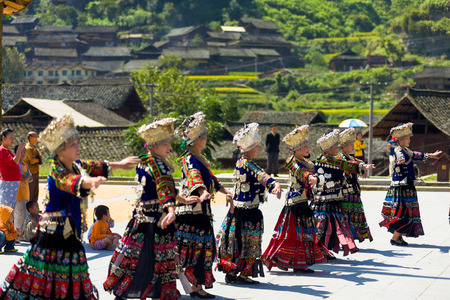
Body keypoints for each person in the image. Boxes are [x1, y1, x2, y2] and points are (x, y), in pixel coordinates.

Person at [0, 114, 138, 300]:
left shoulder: (76, 165)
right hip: (52, 234)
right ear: (61, 150)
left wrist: (119, 164)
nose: (78, 147)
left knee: (72, 273)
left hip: (69, 231)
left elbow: (96, 165)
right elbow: (73, 182)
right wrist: (89, 182)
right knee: (38, 273)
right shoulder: (57, 170)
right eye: (73, 144)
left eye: (77, 143)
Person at [104, 118, 192, 300]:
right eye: (164, 143)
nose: (169, 146)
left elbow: (161, 187)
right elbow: (164, 188)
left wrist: (180, 198)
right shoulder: (159, 164)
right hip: (156, 223)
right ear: (153, 145)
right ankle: (156, 293)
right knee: (155, 261)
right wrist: (171, 210)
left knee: (134, 259)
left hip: (141, 220)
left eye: (168, 142)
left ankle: (123, 292)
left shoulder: (145, 161)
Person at [175, 112, 233, 299]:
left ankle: (196, 285)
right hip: (192, 213)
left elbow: (211, 178)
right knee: (191, 250)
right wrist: (202, 192)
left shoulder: (199, 159)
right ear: (196, 140)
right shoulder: (189, 160)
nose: (206, 139)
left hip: (201, 213)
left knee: (200, 250)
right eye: (203, 136)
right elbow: (194, 177)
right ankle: (192, 286)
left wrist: (225, 191)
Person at [217, 123, 282, 285]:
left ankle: (231, 272)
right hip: (248, 212)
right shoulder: (248, 164)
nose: (258, 149)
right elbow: (261, 175)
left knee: (235, 241)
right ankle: (244, 274)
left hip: (237, 210)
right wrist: (274, 185)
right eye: (256, 146)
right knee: (249, 243)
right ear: (250, 148)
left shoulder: (239, 162)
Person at [262, 125, 326, 273]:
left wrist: (316, 177)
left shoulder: (307, 162)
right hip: (294, 202)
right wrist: (310, 176)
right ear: (297, 149)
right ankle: (282, 259)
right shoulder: (292, 161)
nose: (308, 148)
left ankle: (300, 263)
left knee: (303, 234)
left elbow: (313, 171)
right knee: (291, 235)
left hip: (303, 201)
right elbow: (301, 172)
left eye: (307, 145)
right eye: (305, 146)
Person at [313, 129, 375, 257]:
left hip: (335, 198)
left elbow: (346, 165)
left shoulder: (335, 159)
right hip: (324, 200)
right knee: (323, 227)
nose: (338, 148)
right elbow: (345, 165)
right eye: (336, 146)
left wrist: (361, 167)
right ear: (329, 149)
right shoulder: (323, 159)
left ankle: (324, 250)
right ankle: (319, 250)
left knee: (333, 228)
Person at [379, 123, 441, 246]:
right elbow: (399, 155)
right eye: (407, 138)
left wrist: (430, 155)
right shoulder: (398, 150)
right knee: (403, 212)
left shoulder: (406, 150)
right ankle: (395, 238)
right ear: (401, 140)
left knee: (408, 211)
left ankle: (398, 237)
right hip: (401, 187)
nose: (409, 140)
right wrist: (400, 159)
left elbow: (417, 155)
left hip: (407, 185)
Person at [338, 128, 373, 243]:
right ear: (343, 146)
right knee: (346, 216)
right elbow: (350, 165)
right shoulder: (341, 158)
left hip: (353, 191)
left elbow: (356, 162)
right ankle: (346, 238)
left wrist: (363, 167)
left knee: (353, 215)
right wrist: (362, 167)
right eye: (350, 144)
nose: (353, 146)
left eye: (353, 144)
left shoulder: (350, 157)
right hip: (345, 192)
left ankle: (351, 237)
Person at [0, 129, 25, 209]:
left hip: (12, 183)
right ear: (3, 138)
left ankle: (8, 222)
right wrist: (19, 149)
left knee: (10, 207)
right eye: (10, 137)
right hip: (8, 183)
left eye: (13, 137)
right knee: (6, 208)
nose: (13, 140)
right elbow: (14, 162)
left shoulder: (7, 150)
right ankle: (5, 222)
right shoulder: (3, 150)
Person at [13, 144, 32, 240]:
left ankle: (19, 234)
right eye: (22, 152)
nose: (24, 154)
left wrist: (26, 178)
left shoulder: (25, 165)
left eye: (25, 152)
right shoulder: (15, 164)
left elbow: (29, 178)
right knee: (19, 215)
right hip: (18, 194)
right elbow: (24, 177)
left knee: (23, 215)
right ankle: (15, 236)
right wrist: (26, 178)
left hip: (25, 193)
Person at [24, 131, 43, 202]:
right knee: (31, 190)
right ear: (30, 138)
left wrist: (37, 160)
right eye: (35, 136)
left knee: (35, 190)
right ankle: (30, 207)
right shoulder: (28, 148)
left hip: (35, 171)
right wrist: (38, 160)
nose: (36, 138)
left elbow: (40, 159)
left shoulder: (34, 148)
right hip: (30, 172)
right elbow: (32, 160)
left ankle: (34, 206)